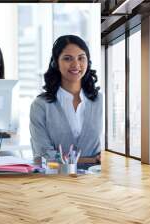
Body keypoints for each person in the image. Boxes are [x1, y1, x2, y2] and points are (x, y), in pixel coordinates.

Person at [29, 35, 102, 170]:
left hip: (96, 182)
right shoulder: (40, 106)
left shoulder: (100, 102)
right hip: (56, 182)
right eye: (68, 58)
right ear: (56, 62)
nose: (75, 64)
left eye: (81, 58)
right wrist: (92, 160)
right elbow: (42, 157)